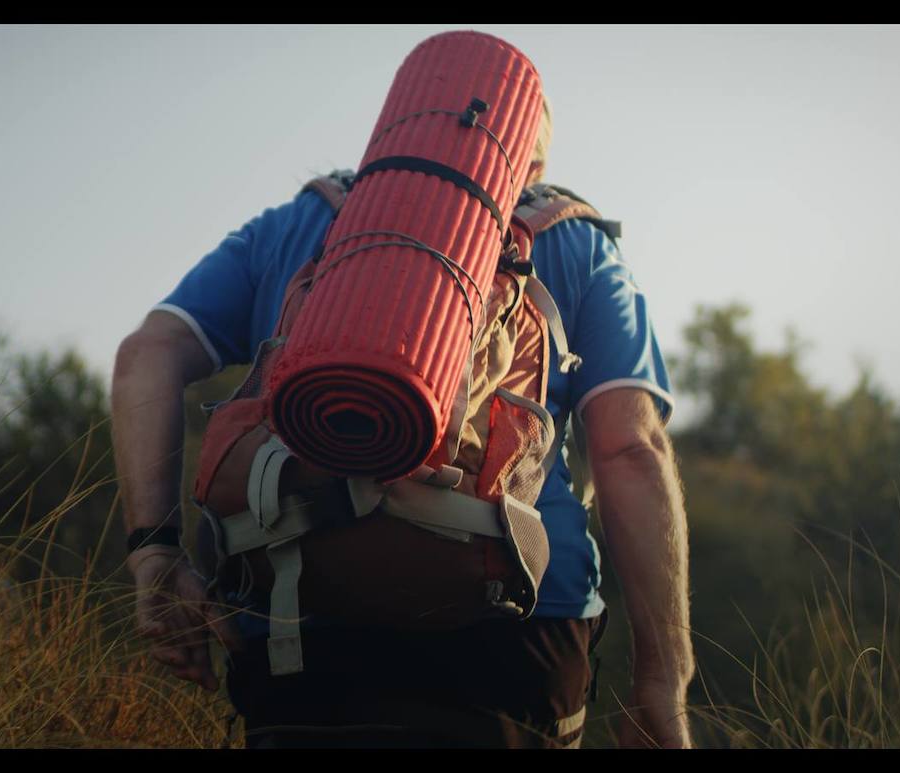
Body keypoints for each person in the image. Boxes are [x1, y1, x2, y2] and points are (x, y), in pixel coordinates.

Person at [111, 76, 695, 749]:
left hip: (294, 618)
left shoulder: (297, 224)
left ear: (394, 131)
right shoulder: (574, 243)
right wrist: (662, 676)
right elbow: (630, 449)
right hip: (517, 629)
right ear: (531, 163)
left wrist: (154, 554)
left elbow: (145, 353)